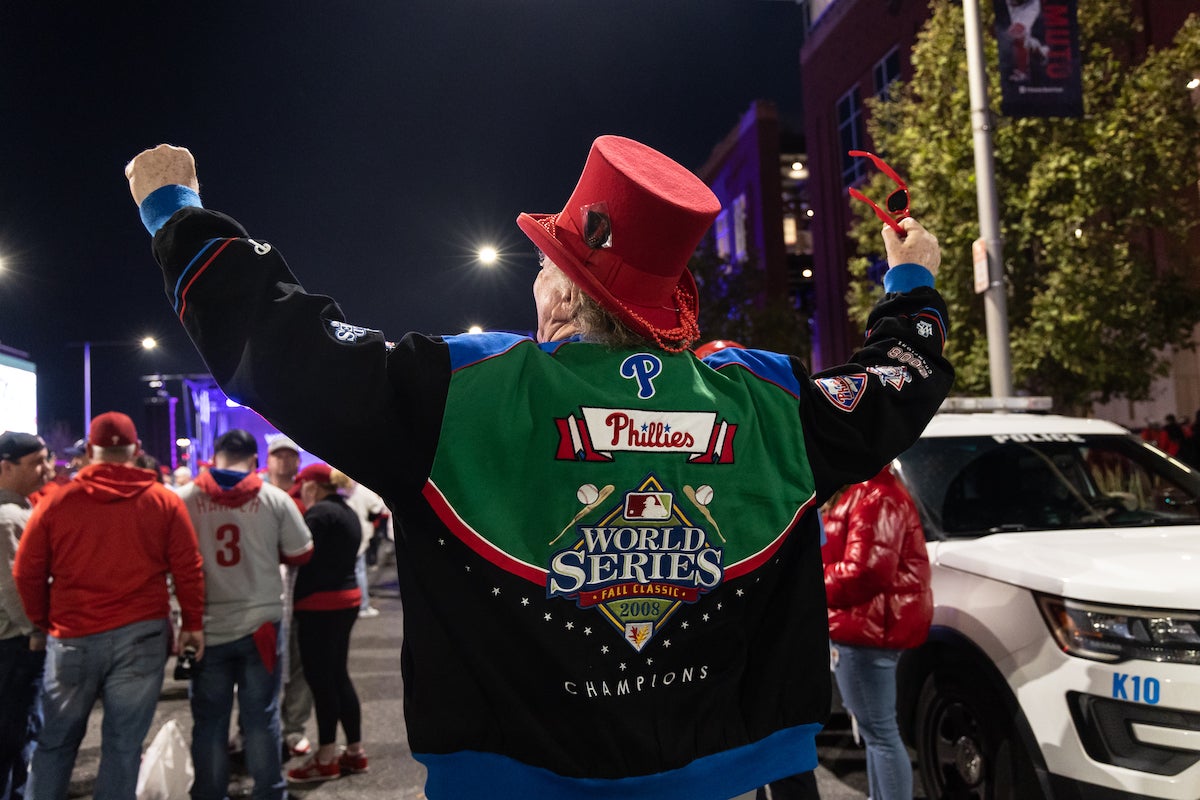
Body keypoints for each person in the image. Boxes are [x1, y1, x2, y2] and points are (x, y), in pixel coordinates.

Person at [125, 136, 952, 799]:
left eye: (544, 272)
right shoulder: (765, 397)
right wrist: (911, 282)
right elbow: (893, 387)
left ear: (562, 298)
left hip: (514, 776)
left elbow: (283, 347)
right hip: (739, 769)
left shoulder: (466, 390)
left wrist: (177, 210)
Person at [13, 411, 206, 800]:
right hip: (142, 632)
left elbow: (26, 572)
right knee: (122, 747)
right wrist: (193, 623)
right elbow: (189, 568)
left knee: (55, 743)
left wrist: (43, 620)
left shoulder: (57, 502)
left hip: (73, 633)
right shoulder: (162, 502)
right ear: (135, 450)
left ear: (90, 451)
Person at [178, 429, 313, 800]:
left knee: (209, 722)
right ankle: (269, 791)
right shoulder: (273, 498)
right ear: (255, 460)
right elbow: (301, 551)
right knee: (261, 719)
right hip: (261, 626)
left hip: (205, 626)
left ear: (214, 455)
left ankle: (209, 792)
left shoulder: (184, 498)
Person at [821, 466, 932, 800]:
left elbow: (865, 572)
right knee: (874, 732)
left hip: (866, 630)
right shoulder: (866, 491)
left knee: (880, 733)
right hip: (864, 628)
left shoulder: (876, 496)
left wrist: (811, 581)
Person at [286, 464, 367, 782]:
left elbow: (299, 552)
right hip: (347, 599)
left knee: (321, 682)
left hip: (319, 604)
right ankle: (355, 752)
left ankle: (326, 756)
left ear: (312, 487)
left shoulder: (318, 515)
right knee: (339, 676)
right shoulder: (347, 511)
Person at [0, 432, 52, 800]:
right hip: (13, 645)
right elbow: (11, 587)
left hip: (14, 643)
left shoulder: (17, 510)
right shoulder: (7, 518)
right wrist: (36, 630)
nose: (46, 469)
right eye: (37, 462)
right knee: (15, 736)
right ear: (6, 467)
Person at [262, 434, 314, 758]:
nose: (283, 461)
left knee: (298, 666)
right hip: (261, 595)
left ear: (297, 461)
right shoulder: (256, 495)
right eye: (277, 456)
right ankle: (254, 729)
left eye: (289, 456)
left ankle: (294, 728)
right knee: (259, 669)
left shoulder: (306, 497)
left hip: (299, 596)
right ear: (268, 461)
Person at [329, 469, 389, 618]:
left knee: (346, 572)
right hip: (359, 534)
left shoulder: (334, 491)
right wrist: (370, 519)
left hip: (341, 536)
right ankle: (363, 605)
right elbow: (378, 507)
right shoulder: (361, 490)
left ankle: (348, 604)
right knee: (359, 571)